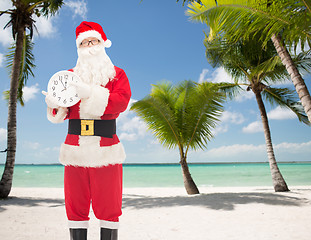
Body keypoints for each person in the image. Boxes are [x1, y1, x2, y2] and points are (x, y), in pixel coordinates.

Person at [43, 21, 131, 240]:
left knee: (109, 207)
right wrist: (53, 103)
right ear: (79, 48)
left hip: (106, 149)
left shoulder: (117, 74)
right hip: (75, 150)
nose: (90, 46)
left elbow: (121, 102)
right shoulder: (69, 77)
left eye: (94, 41)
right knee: (75, 206)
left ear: (103, 44)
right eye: (84, 42)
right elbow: (61, 111)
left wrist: (89, 93)